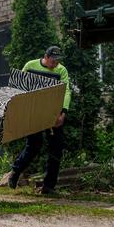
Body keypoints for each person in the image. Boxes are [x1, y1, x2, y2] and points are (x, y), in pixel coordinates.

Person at [7, 45, 71, 195]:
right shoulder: (30, 66)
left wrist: (63, 112)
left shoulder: (61, 70)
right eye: (53, 61)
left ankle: (48, 187)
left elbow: (66, 91)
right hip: (33, 113)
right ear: (46, 57)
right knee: (34, 145)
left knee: (56, 148)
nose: (55, 64)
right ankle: (15, 172)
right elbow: (19, 86)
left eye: (58, 61)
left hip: (53, 115)